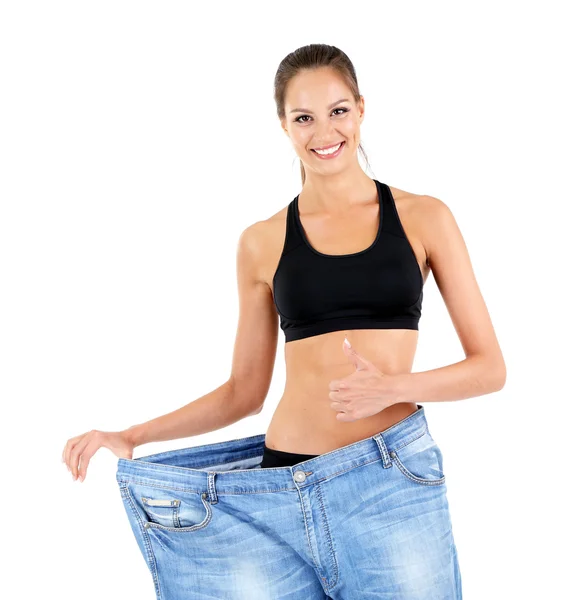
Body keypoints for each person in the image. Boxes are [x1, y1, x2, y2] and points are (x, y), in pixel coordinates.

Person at [62, 43, 505, 599]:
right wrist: (131, 435)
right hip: (276, 487)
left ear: (362, 110)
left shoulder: (424, 217)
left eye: (338, 111)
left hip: (387, 484)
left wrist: (394, 387)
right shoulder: (262, 241)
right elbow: (244, 392)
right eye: (304, 117)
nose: (324, 131)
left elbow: (490, 368)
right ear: (285, 127)